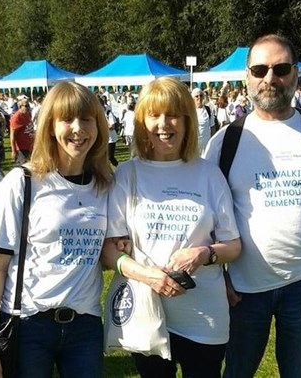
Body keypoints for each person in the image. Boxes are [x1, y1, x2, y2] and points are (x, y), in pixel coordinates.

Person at [204, 34, 301, 378]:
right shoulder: (224, 141)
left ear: (295, 74)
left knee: (296, 372)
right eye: (259, 69)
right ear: (247, 77)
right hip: (243, 290)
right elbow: (203, 217)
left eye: (281, 68)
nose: (269, 78)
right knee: (237, 373)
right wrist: (218, 278)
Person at [102, 77, 241, 378]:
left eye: (174, 114)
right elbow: (110, 251)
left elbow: (233, 246)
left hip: (204, 316)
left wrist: (204, 254)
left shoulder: (208, 173)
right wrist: (147, 275)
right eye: (155, 115)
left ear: (188, 121)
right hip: (146, 312)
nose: (164, 123)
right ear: (142, 123)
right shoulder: (127, 174)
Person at [0, 81, 113, 378]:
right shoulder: (22, 182)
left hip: (85, 325)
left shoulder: (106, 186)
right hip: (29, 325)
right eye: (67, 119)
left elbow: (110, 247)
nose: (79, 129)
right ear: (49, 126)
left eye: (87, 119)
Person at [10, 98, 34, 165]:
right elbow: (12, 136)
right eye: (26, 106)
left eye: (28, 105)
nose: (28, 107)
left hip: (30, 146)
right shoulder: (16, 118)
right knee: (23, 167)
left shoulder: (27, 114)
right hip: (21, 148)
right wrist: (13, 150)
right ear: (20, 107)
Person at [191, 87, 215, 153]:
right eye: (196, 96)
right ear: (193, 98)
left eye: (201, 95)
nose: (199, 98)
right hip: (194, 143)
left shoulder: (208, 110)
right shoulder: (190, 111)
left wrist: (213, 141)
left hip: (206, 143)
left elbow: (212, 126)